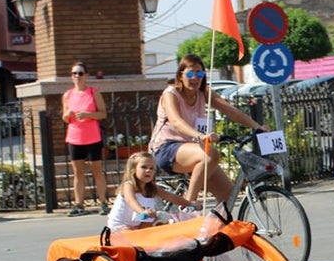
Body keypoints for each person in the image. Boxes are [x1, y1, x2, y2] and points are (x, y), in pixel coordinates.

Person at [149, 55, 267, 208]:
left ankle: (213, 230)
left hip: (192, 149)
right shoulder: (171, 94)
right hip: (166, 148)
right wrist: (199, 135)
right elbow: (176, 121)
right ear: (180, 75)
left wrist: (257, 126)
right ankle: (188, 204)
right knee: (211, 153)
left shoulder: (203, 92)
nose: (195, 78)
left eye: (199, 74)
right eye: (190, 74)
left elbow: (230, 110)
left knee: (228, 198)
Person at [61, 61, 110, 216]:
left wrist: (88, 115)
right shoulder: (67, 95)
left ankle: (103, 202)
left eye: (80, 73)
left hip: (92, 137)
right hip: (74, 138)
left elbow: (103, 113)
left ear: (86, 76)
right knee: (78, 172)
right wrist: (67, 115)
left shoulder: (93, 92)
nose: (77, 76)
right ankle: (79, 204)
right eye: (74, 73)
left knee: (97, 171)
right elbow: (64, 117)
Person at [106, 151, 192, 231]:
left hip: (136, 226)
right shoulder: (128, 185)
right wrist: (142, 212)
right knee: (150, 221)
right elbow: (131, 200)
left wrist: (190, 204)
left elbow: (171, 197)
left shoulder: (151, 188)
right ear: (133, 170)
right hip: (119, 227)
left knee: (161, 219)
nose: (148, 171)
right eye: (144, 167)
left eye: (152, 168)